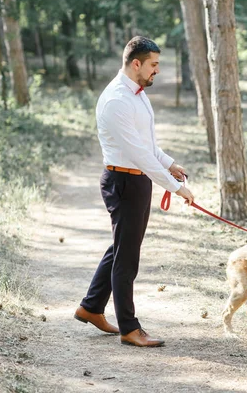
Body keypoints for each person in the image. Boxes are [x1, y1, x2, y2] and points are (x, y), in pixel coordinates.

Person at [74, 36, 195, 347]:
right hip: (124, 182)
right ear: (136, 63)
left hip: (138, 180)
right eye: (154, 65)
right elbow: (138, 154)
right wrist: (177, 188)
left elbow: (147, 145)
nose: (157, 71)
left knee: (121, 248)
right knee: (127, 258)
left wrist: (170, 164)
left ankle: (90, 307)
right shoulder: (116, 101)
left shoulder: (138, 94)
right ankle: (129, 328)